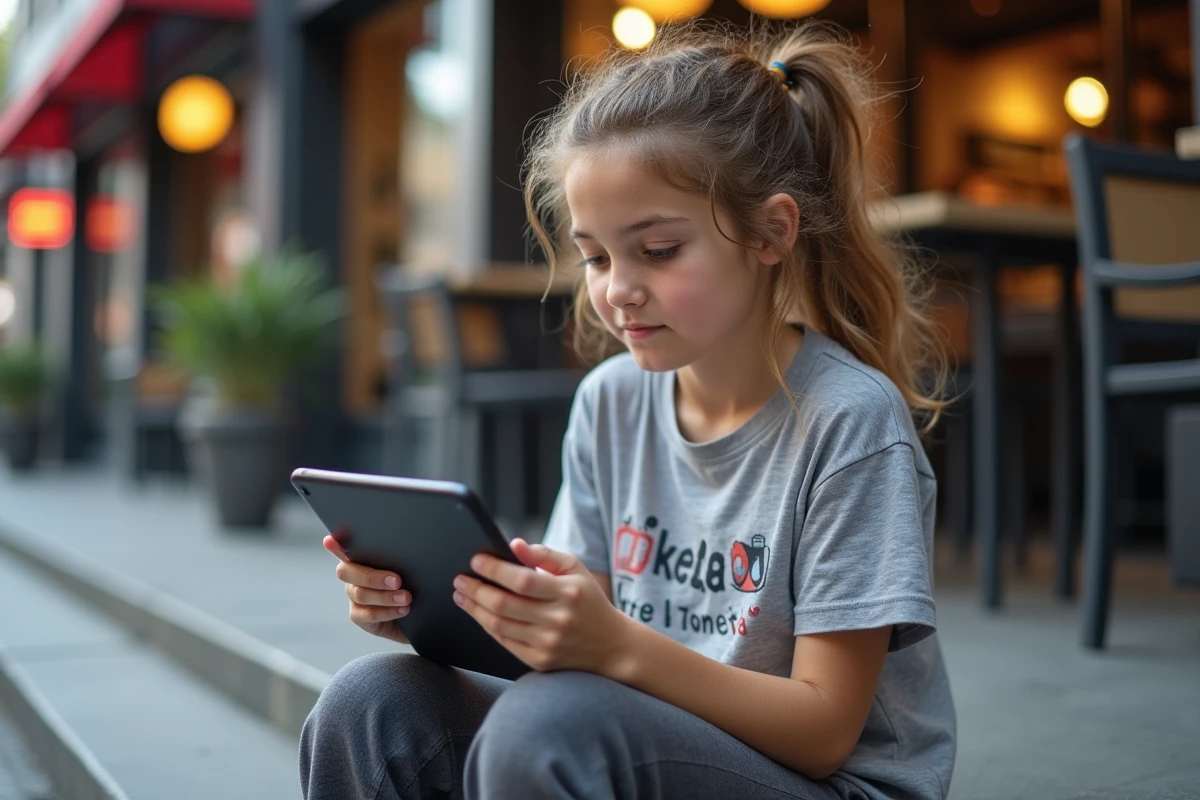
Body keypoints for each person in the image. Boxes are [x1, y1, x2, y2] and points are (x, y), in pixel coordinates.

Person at [301, 20, 956, 800]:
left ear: (771, 232)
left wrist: (613, 647)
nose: (617, 289)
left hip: (824, 784)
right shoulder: (610, 402)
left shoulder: (849, 422)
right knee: (372, 705)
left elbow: (823, 732)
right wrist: (444, 613)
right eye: (597, 256)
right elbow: (587, 633)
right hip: (641, 735)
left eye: (659, 249)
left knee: (547, 729)